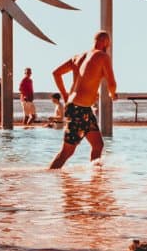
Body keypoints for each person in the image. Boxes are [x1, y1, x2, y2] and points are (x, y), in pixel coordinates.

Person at [49, 31, 117, 169]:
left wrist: (65, 95)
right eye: (108, 44)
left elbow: (56, 73)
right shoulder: (103, 56)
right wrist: (113, 94)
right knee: (67, 152)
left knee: (98, 145)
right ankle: (49, 176)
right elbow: (112, 83)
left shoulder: (78, 57)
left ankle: (95, 182)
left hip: (81, 109)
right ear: (105, 42)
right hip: (79, 109)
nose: (108, 47)